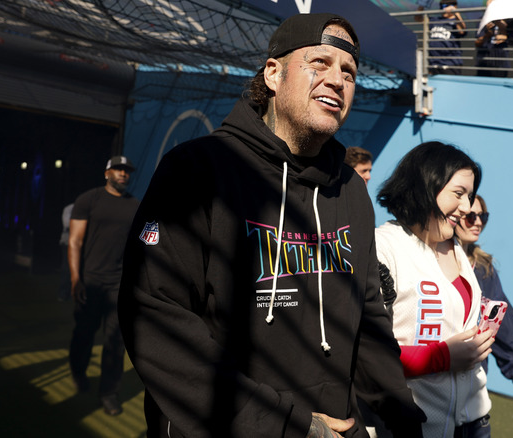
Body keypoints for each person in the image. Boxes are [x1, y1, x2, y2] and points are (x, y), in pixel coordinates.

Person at [117, 13, 424, 438]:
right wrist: (286, 426)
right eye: (319, 63)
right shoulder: (197, 170)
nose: (337, 79)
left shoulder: (351, 189)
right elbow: (155, 318)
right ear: (274, 74)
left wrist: (402, 418)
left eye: (349, 71)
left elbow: (368, 317)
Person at [375, 141, 495, 437]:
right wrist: (443, 357)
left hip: (476, 421)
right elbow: (367, 353)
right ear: (426, 184)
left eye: (470, 196)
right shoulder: (384, 247)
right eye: (459, 194)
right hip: (411, 426)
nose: (467, 208)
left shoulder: (456, 246)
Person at [455, 195, 513, 418]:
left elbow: (503, 324)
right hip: (432, 385)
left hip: (473, 391)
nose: (478, 222)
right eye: (471, 216)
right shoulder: (429, 261)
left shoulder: (484, 269)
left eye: (483, 216)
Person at [68, 155, 139, 416]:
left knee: (116, 341)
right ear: (106, 173)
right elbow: (75, 242)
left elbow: (139, 245)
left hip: (118, 284)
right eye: (118, 170)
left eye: (126, 171)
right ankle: (78, 371)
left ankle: (109, 393)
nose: (123, 174)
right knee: (84, 334)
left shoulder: (134, 205)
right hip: (91, 281)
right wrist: (76, 279)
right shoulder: (89, 199)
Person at [421, 0, 467, 75]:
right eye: (441, 7)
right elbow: (418, 19)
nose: (443, 9)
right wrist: (421, 5)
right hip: (434, 63)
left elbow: (462, 31)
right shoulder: (435, 20)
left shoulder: (456, 21)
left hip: (450, 64)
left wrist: (455, 11)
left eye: (445, 6)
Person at [58, 202, 74, 302]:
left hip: (82, 244)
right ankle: (63, 293)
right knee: (67, 268)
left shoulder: (89, 209)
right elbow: (67, 224)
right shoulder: (70, 208)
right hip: (68, 242)